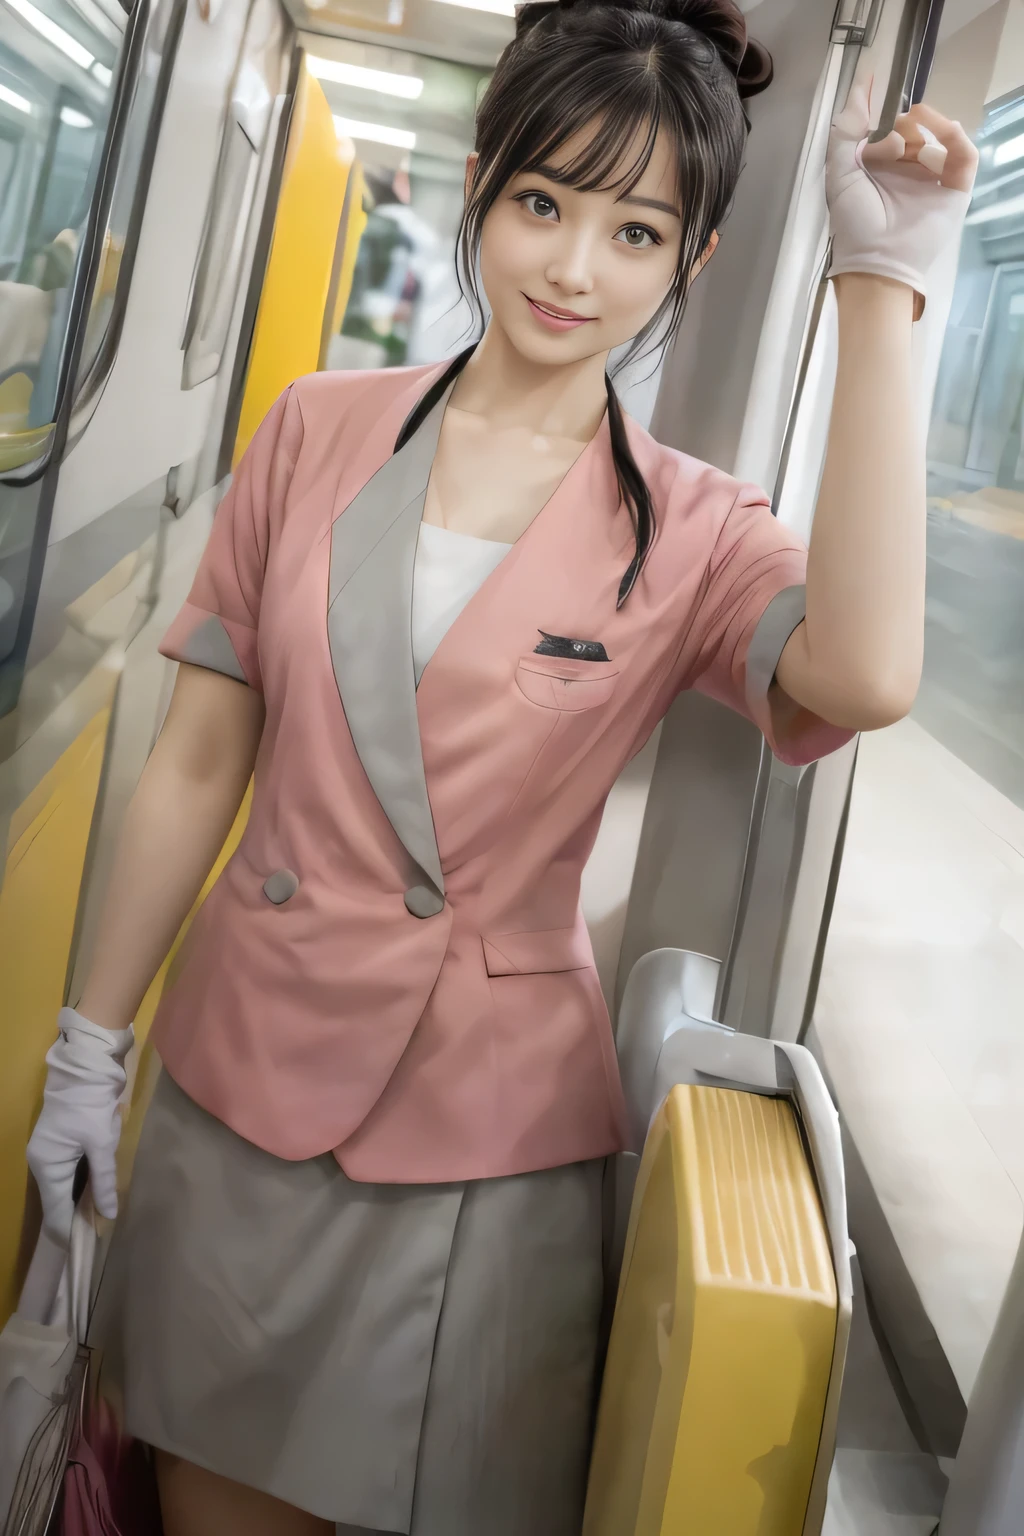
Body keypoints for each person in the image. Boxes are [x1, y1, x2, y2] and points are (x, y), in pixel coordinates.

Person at [23, 0, 977, 1533]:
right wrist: (91, 1047)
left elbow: (861, 674)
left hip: (479, 1149)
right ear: (481, 179)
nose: (572, 268)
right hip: (236, 1094)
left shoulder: (690, 526)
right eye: (543, 202)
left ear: (693, 262)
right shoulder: (315, 431)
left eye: (635, 232)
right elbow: (202, 762)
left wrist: (885, 290)